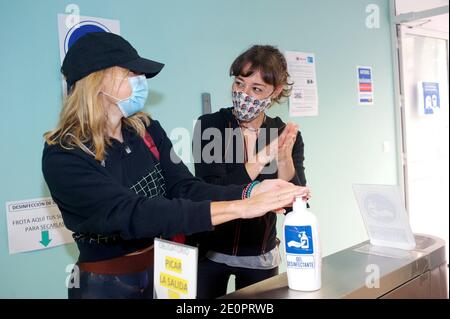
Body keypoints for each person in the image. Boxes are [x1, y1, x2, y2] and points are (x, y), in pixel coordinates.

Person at [41, 33, 309, 299]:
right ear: (98, 81)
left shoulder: (146, 130)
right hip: (107, 285)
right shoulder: (64, 154)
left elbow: (185, 188)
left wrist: (251, 192)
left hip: (166, 272)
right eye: (131, 73)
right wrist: (241, 206)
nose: (141, 80)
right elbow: (134, 214)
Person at [191, 45, 308, 298]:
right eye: (239, 84)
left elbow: (293, 206)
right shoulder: (211, 127)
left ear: (275, 92)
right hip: (210, 252)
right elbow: (212, 191)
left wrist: (284, 158)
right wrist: (263, 156)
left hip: (260, 255)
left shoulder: (283, 134)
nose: (244, 94)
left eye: (256, 89)